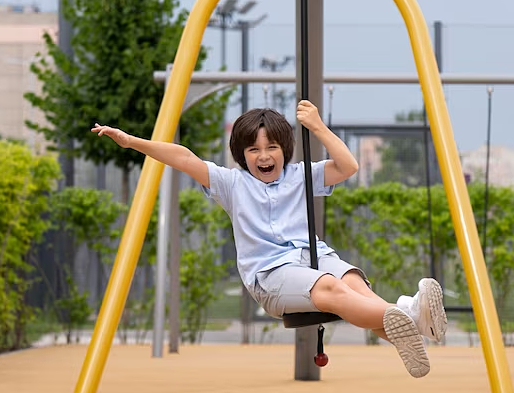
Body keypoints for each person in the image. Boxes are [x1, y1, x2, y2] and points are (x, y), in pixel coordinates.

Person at [91, 100, 447, 378]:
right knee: (333, 290)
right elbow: (183, 157)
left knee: (355, 284)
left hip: (313, 256)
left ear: (285, 148)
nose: (264, 156)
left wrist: (318, 127)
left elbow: (348, 166)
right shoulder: (231, 183)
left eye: (272, 147)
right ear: (242, 155)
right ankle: (411, 314)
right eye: (254, 150)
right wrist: (130, 141)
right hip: (271, 273)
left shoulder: (300, 175)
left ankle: (410, 322)